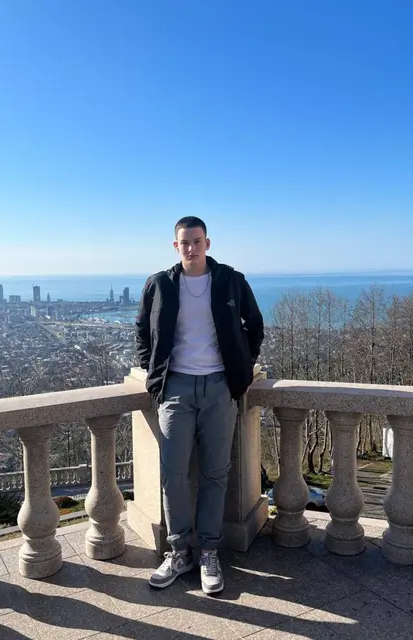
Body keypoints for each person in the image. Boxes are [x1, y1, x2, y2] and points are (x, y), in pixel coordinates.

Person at [135, 216, 264, 594]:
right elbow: (142, 331)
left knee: (215, 473)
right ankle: (179, 552)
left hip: (219, 388)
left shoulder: (230, 281)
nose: (191, 248)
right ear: (175, 246)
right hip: (175, 388)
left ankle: (209, 552)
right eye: (184, 242)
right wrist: (155, 374)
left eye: (196, 241)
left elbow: (254, 324)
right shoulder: (160, 284)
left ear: (207, 243)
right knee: (172, 472)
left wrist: (241, 366)